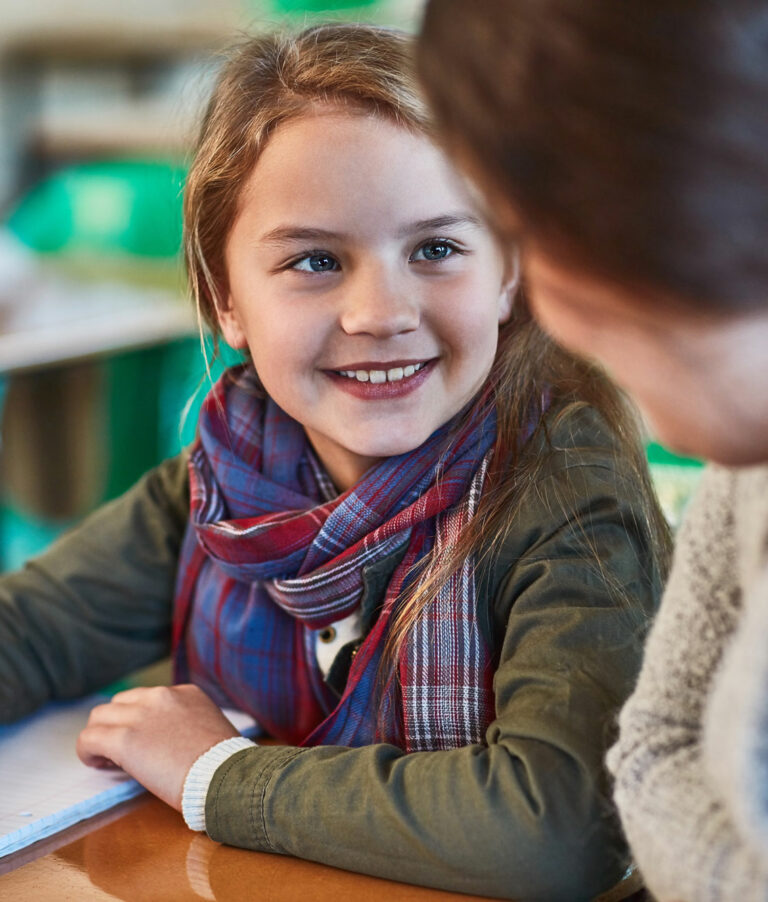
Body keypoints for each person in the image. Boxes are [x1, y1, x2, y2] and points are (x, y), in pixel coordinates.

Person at [0, 24, 668, 902]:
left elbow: (553, 831)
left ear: (510, 272)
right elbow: (30, 633)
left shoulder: (565, 496)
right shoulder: (225, 486)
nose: (380, 312)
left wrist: (217, 776)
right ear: (224, 298)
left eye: (435, 249)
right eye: (315, 261)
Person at [417, 2, 768, 900]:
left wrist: (219, 779)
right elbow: (653, 744)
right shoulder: (743, 457)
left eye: (521, 233)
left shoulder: (564, 473)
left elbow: (548, 830)